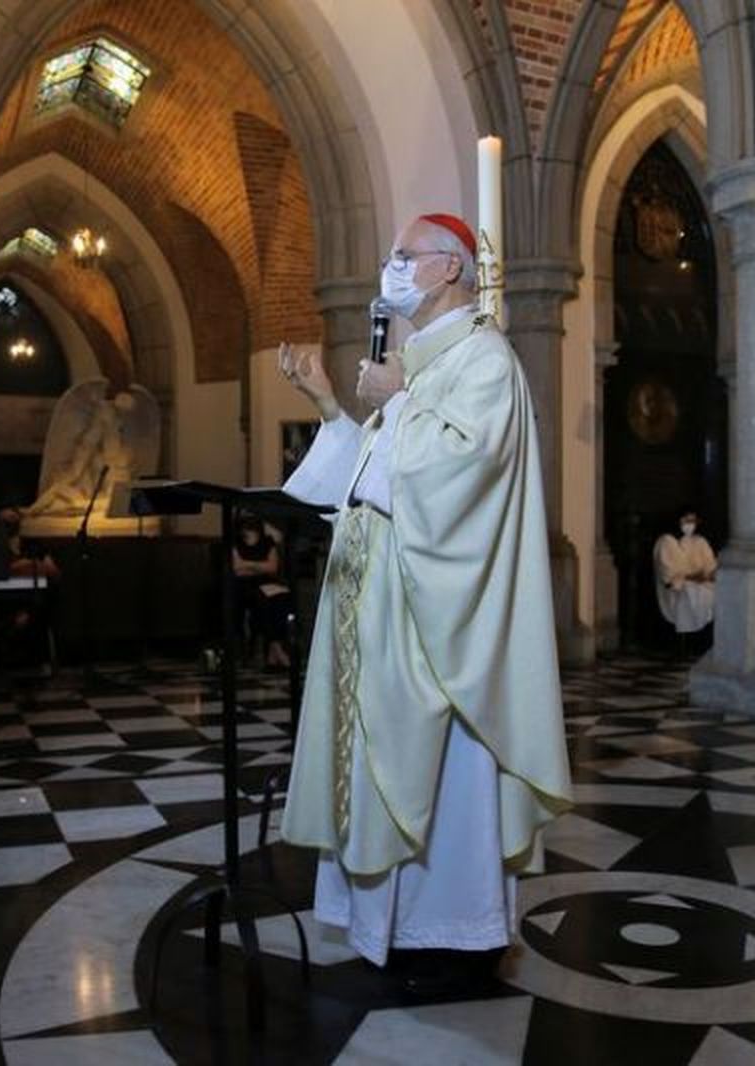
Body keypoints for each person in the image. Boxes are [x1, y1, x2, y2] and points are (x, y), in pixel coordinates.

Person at [277, 212, 572, 989]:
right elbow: (368, 478)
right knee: (378, 762)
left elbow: (457, 475)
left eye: (404, 256)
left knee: (444, 773)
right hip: (379, 603)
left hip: (437, 622)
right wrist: (330, 408)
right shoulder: (418, 363)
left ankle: (453, 935)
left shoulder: (484, 359)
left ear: (449, 269)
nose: (391, 268)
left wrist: (401, 394)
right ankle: (393, 927)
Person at [230, 512, 292, 669]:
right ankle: (275, 649)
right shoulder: (235, 543)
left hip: (268, 583)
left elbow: (273, 567)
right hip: (244, 586)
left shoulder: (267, 542)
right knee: (261, 600)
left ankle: (273, 650)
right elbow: (237, 569)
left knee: (281, 598)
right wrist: (260, 566)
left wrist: (247, 564)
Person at [653, 506, 717, 638]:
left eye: (692, 521)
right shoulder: (666, 541)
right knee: (693, 593)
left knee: (719, 592)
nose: (690, 525)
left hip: (703, 582)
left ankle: (707, 638)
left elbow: (711, 566)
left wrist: (708, 575)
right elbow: (669, 576)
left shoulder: (700, 541)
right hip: (678, 588)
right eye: (686, 521)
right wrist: (693, 577)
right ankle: (691, 637)